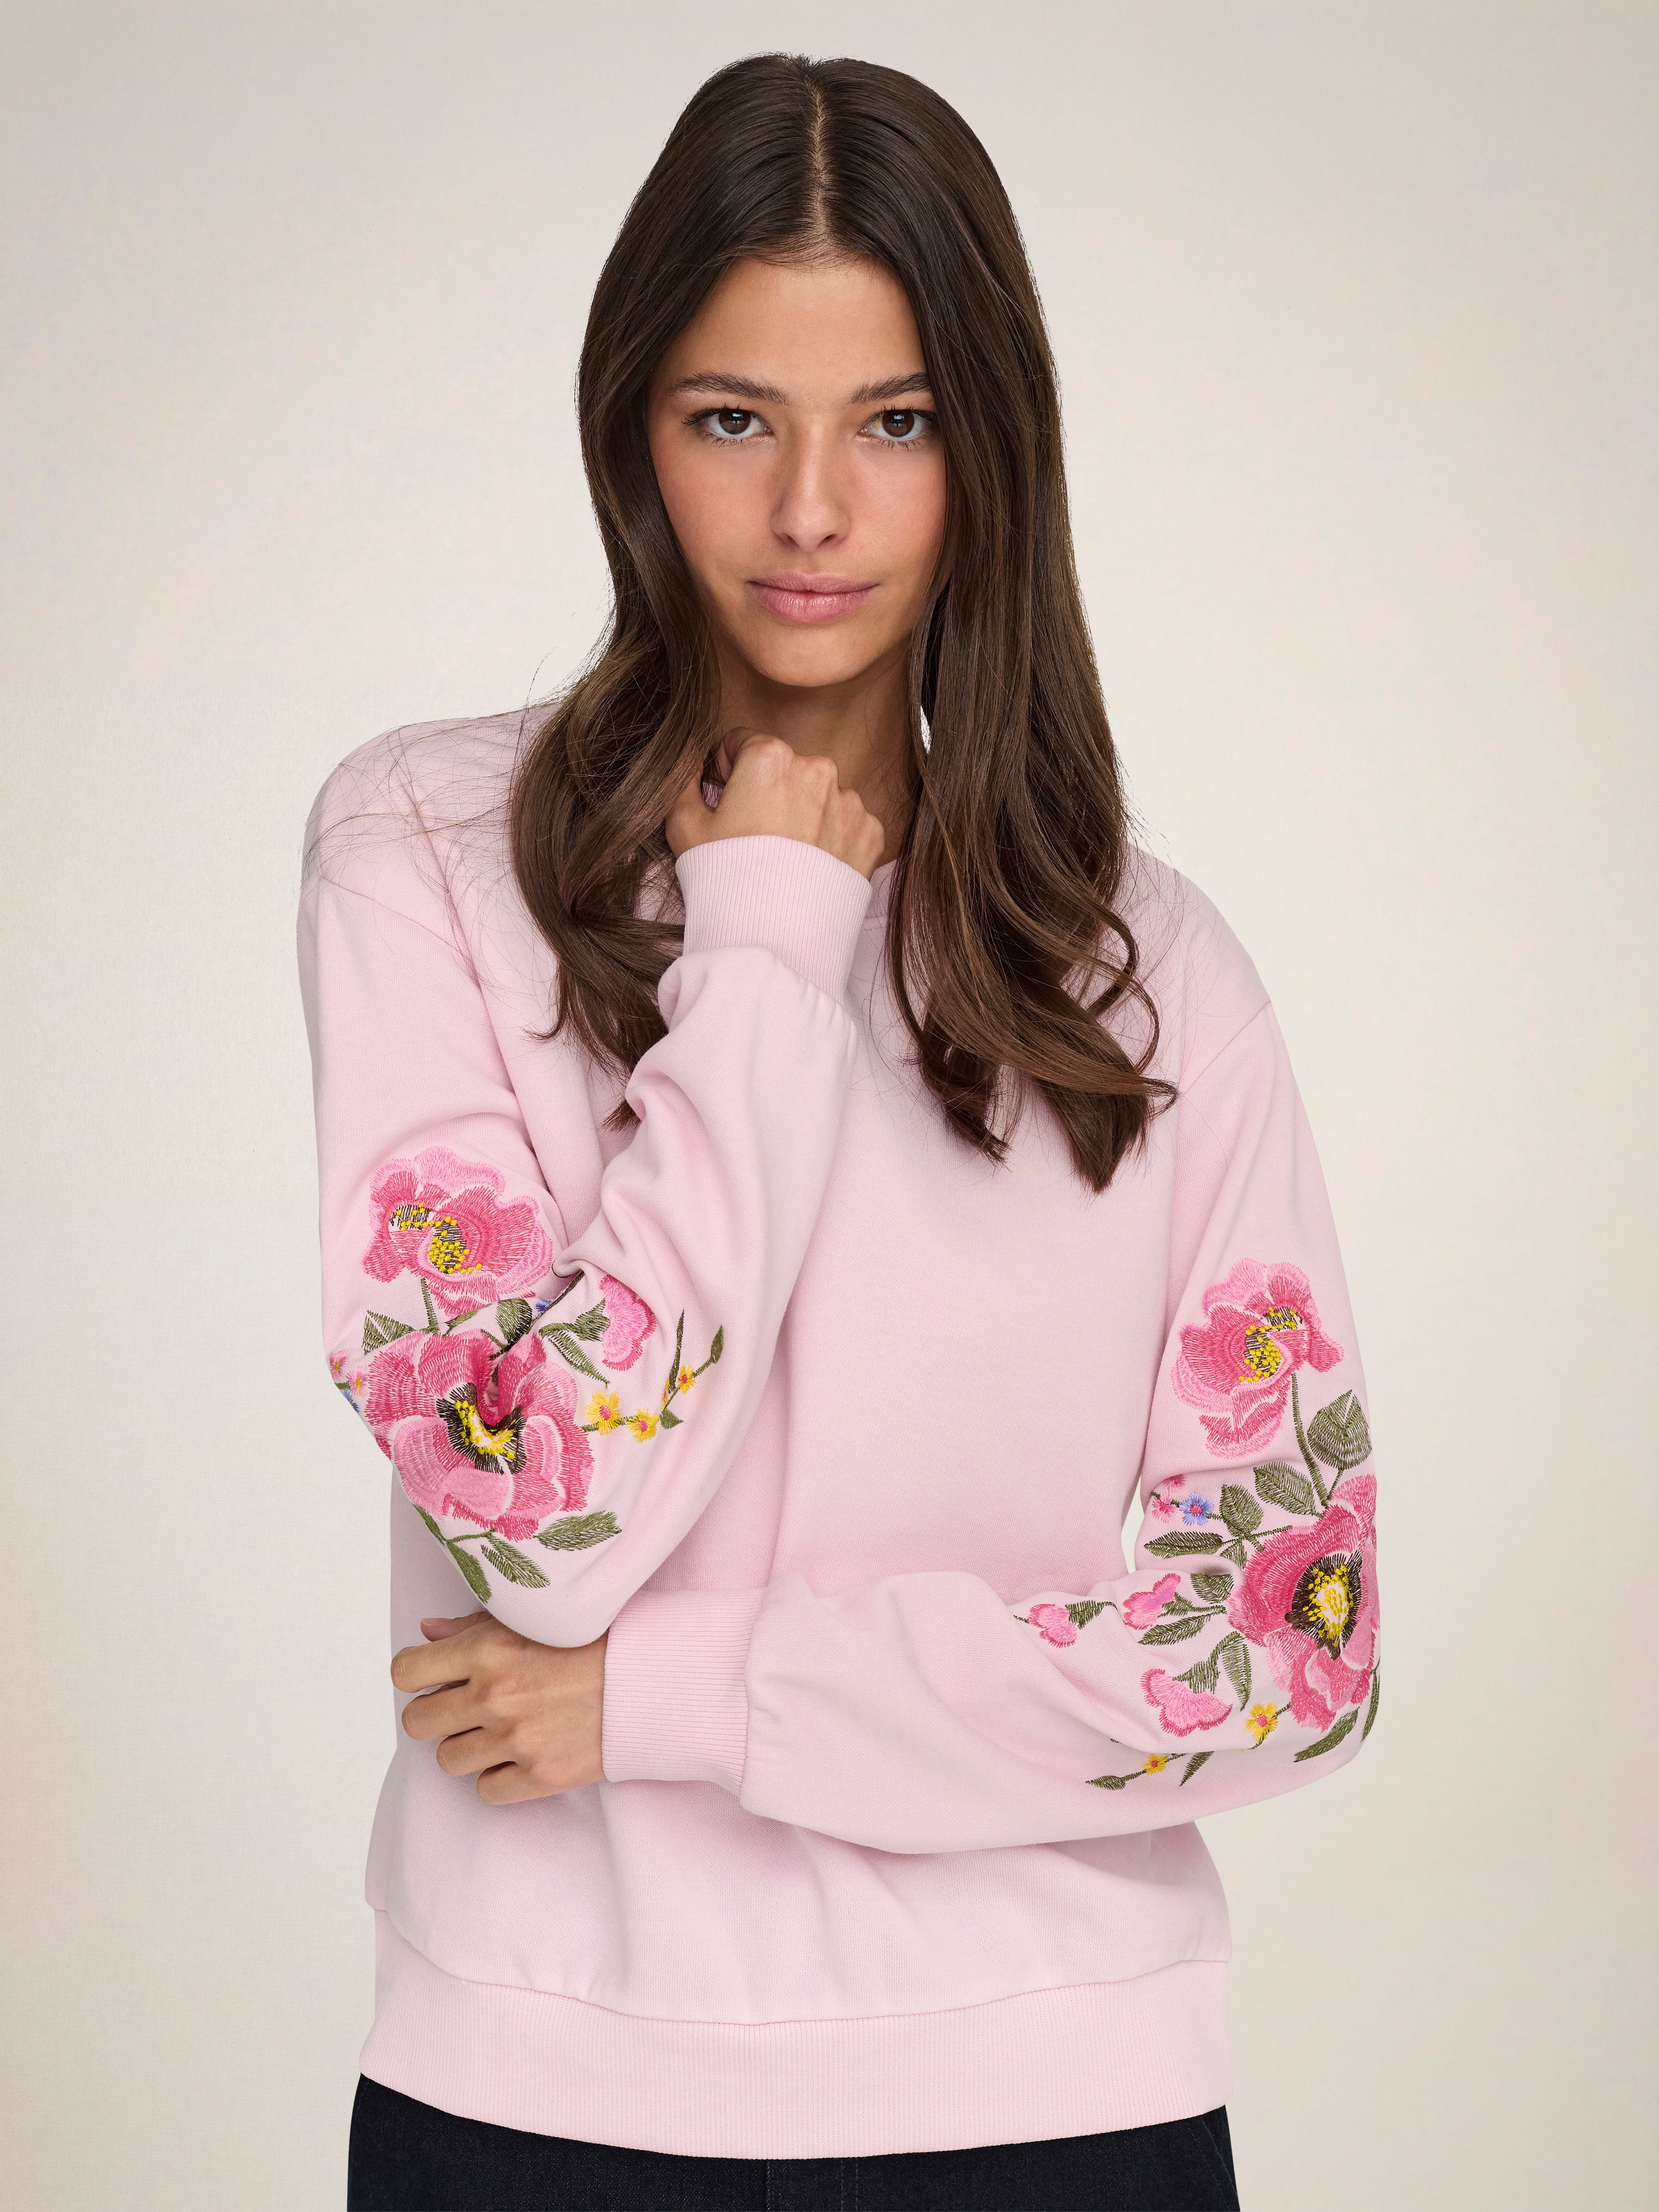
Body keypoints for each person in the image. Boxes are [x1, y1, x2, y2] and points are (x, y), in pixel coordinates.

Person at [300, 51, 1380, 2212]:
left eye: (894, 422)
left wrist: (683, 1705)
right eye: (734, 419)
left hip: (1057, 2113)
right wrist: (773, 942)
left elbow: (1287, 1649)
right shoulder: (421, 855)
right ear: (631, 433)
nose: (812, 513)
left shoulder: (1148, 973)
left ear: (991, 450)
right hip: (539, 2110)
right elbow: (545, 1518)